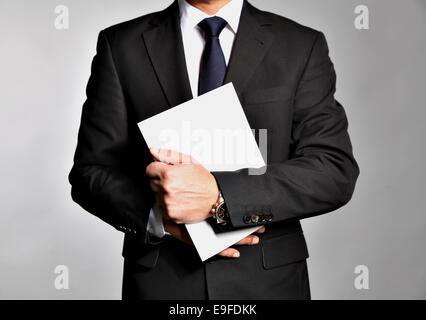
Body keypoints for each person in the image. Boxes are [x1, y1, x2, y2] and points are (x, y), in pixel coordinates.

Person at [69, 0, 359, 299]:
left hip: (268, 283)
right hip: (163, 282)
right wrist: (160, 217)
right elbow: (90, 173)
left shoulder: (300, 45)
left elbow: (332, 170)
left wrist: (220, 197)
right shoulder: (120, 44)